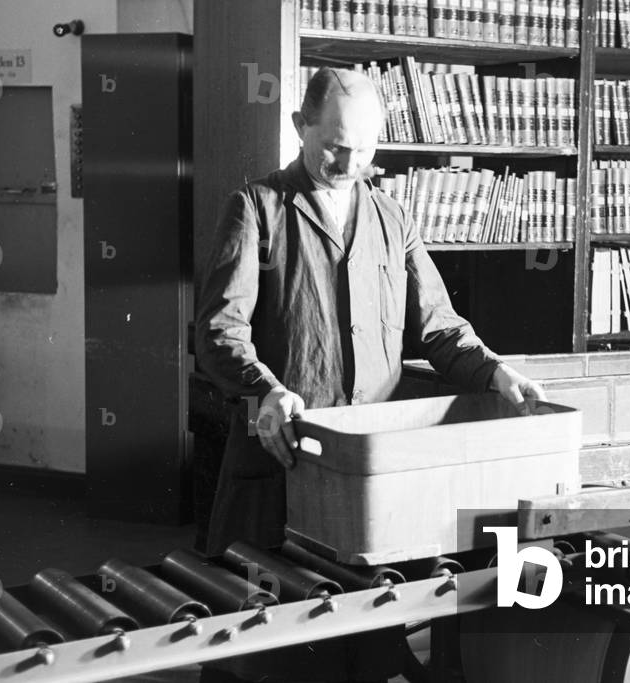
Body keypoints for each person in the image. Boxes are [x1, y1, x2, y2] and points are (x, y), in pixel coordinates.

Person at [195, 66, 546, 560]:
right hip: (285, 452)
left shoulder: (392, 216)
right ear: (300, 125)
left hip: (371, 463)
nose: (350, 162)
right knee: (271, 607)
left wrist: (495, 371)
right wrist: (265, 391)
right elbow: (218, 333)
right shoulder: (255, 208)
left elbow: (439, 327)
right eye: (336, 146)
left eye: (365, 148)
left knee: (366, 606)